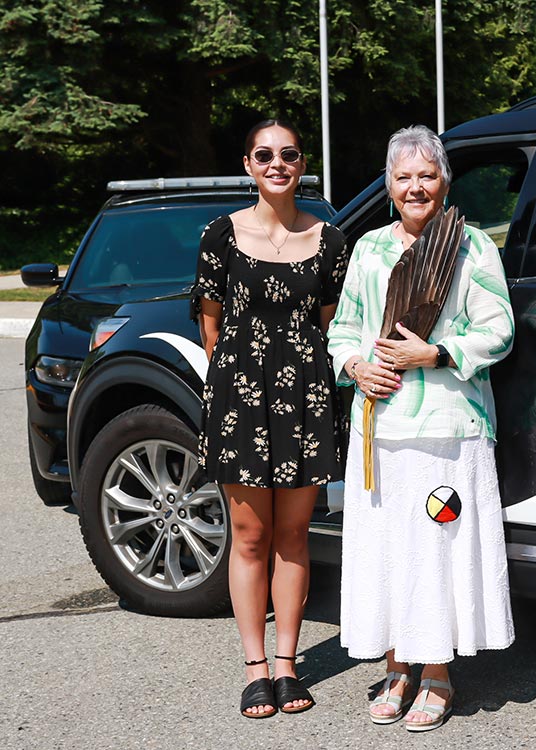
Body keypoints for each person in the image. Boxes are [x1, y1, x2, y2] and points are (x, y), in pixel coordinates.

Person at [327, 124, 515, 732]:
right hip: (379, 430)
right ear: (387, 185)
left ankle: (436, 672)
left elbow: (499, 330)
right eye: (403, 177)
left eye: (427, 176)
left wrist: (432, 355)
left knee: (436, 549)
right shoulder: (370, 250)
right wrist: (357, 366)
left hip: (447, 430)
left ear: (445, 182)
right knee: (385, 550)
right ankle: (395, 664)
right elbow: (343, 330)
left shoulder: (473, 249)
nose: (415, 187)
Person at [191, 119, 349, 719]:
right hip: (239, 398)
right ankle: (255, 667)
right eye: (265, 154)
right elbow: (209, 323)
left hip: (306, 397)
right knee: (251, 536)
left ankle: (288, 664)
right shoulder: (220, 234)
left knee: (292, 536)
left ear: (301, 163)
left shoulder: (330, 240)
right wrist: (238, 380)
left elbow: (332, 322)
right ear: (248, 164)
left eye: (288, 154)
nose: (277, 163)